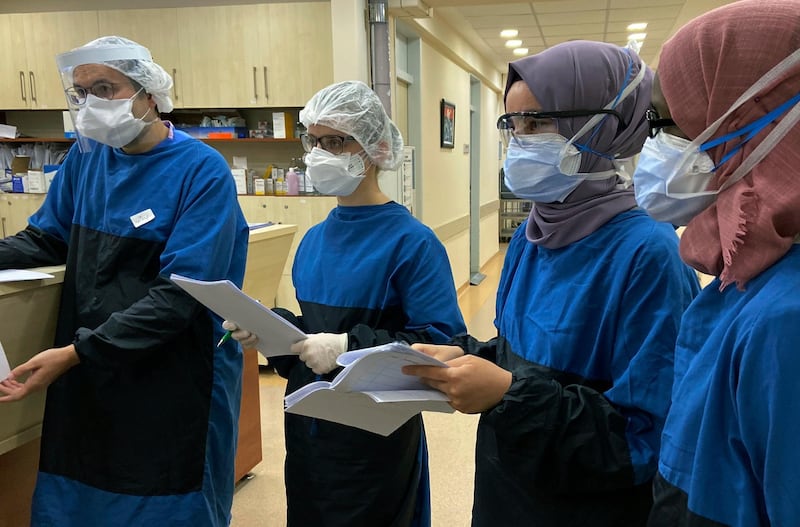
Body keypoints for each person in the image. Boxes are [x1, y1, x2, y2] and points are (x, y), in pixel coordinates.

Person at [403, 41, 700, 526]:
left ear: (603, 126)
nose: (521, 141)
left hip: (586, 507)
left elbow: (645, 434)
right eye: (513, 125)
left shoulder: (648, 254)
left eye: (538, 123)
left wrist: (507, 395)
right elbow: (522, 355)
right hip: (506, 488)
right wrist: (472, 359)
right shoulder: (530, 235)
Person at [0, 36, 248, 526]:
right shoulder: (87, 160)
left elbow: (182, 296)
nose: (89, 104)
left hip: (171, 376)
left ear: (149, 95)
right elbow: (46, 239)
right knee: (80, 503)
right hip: (94, 372)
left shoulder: (201, 172)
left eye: (105, 88)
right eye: (80, 92)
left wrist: (77, 353)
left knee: (162, 505)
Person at [225, 80, 466, 526]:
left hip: (376, 438)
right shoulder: (314, 240)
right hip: (307, 434)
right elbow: (308, 348)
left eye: (335, 141)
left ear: (374, 147)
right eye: (313, 140)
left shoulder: (412, 243)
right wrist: (272, 332)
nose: (319, 153)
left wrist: (347, 346)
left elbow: (440, 346)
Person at [629, 1, 800, 525]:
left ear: (755, 123)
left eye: (676, 122)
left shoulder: (784, 321)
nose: (657, 147)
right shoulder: (746, 280)